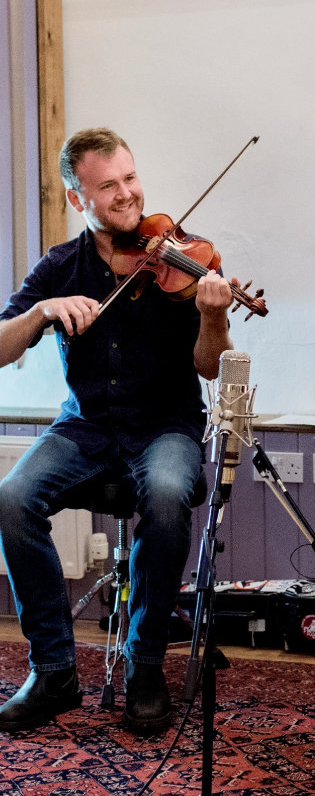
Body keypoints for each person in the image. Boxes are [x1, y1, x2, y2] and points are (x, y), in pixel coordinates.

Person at [0, 127, 235, 734]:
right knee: (10, 499)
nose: (128, 195)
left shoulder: (181, 258)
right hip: (85, 428)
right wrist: (41, 311)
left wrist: (213, 315)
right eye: (108, 187)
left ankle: (146, 665)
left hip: (166, 427)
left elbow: (209, 365)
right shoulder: (62, 266)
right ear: (79, 199)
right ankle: (53, 669)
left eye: (131, 178)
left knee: (163, 495)